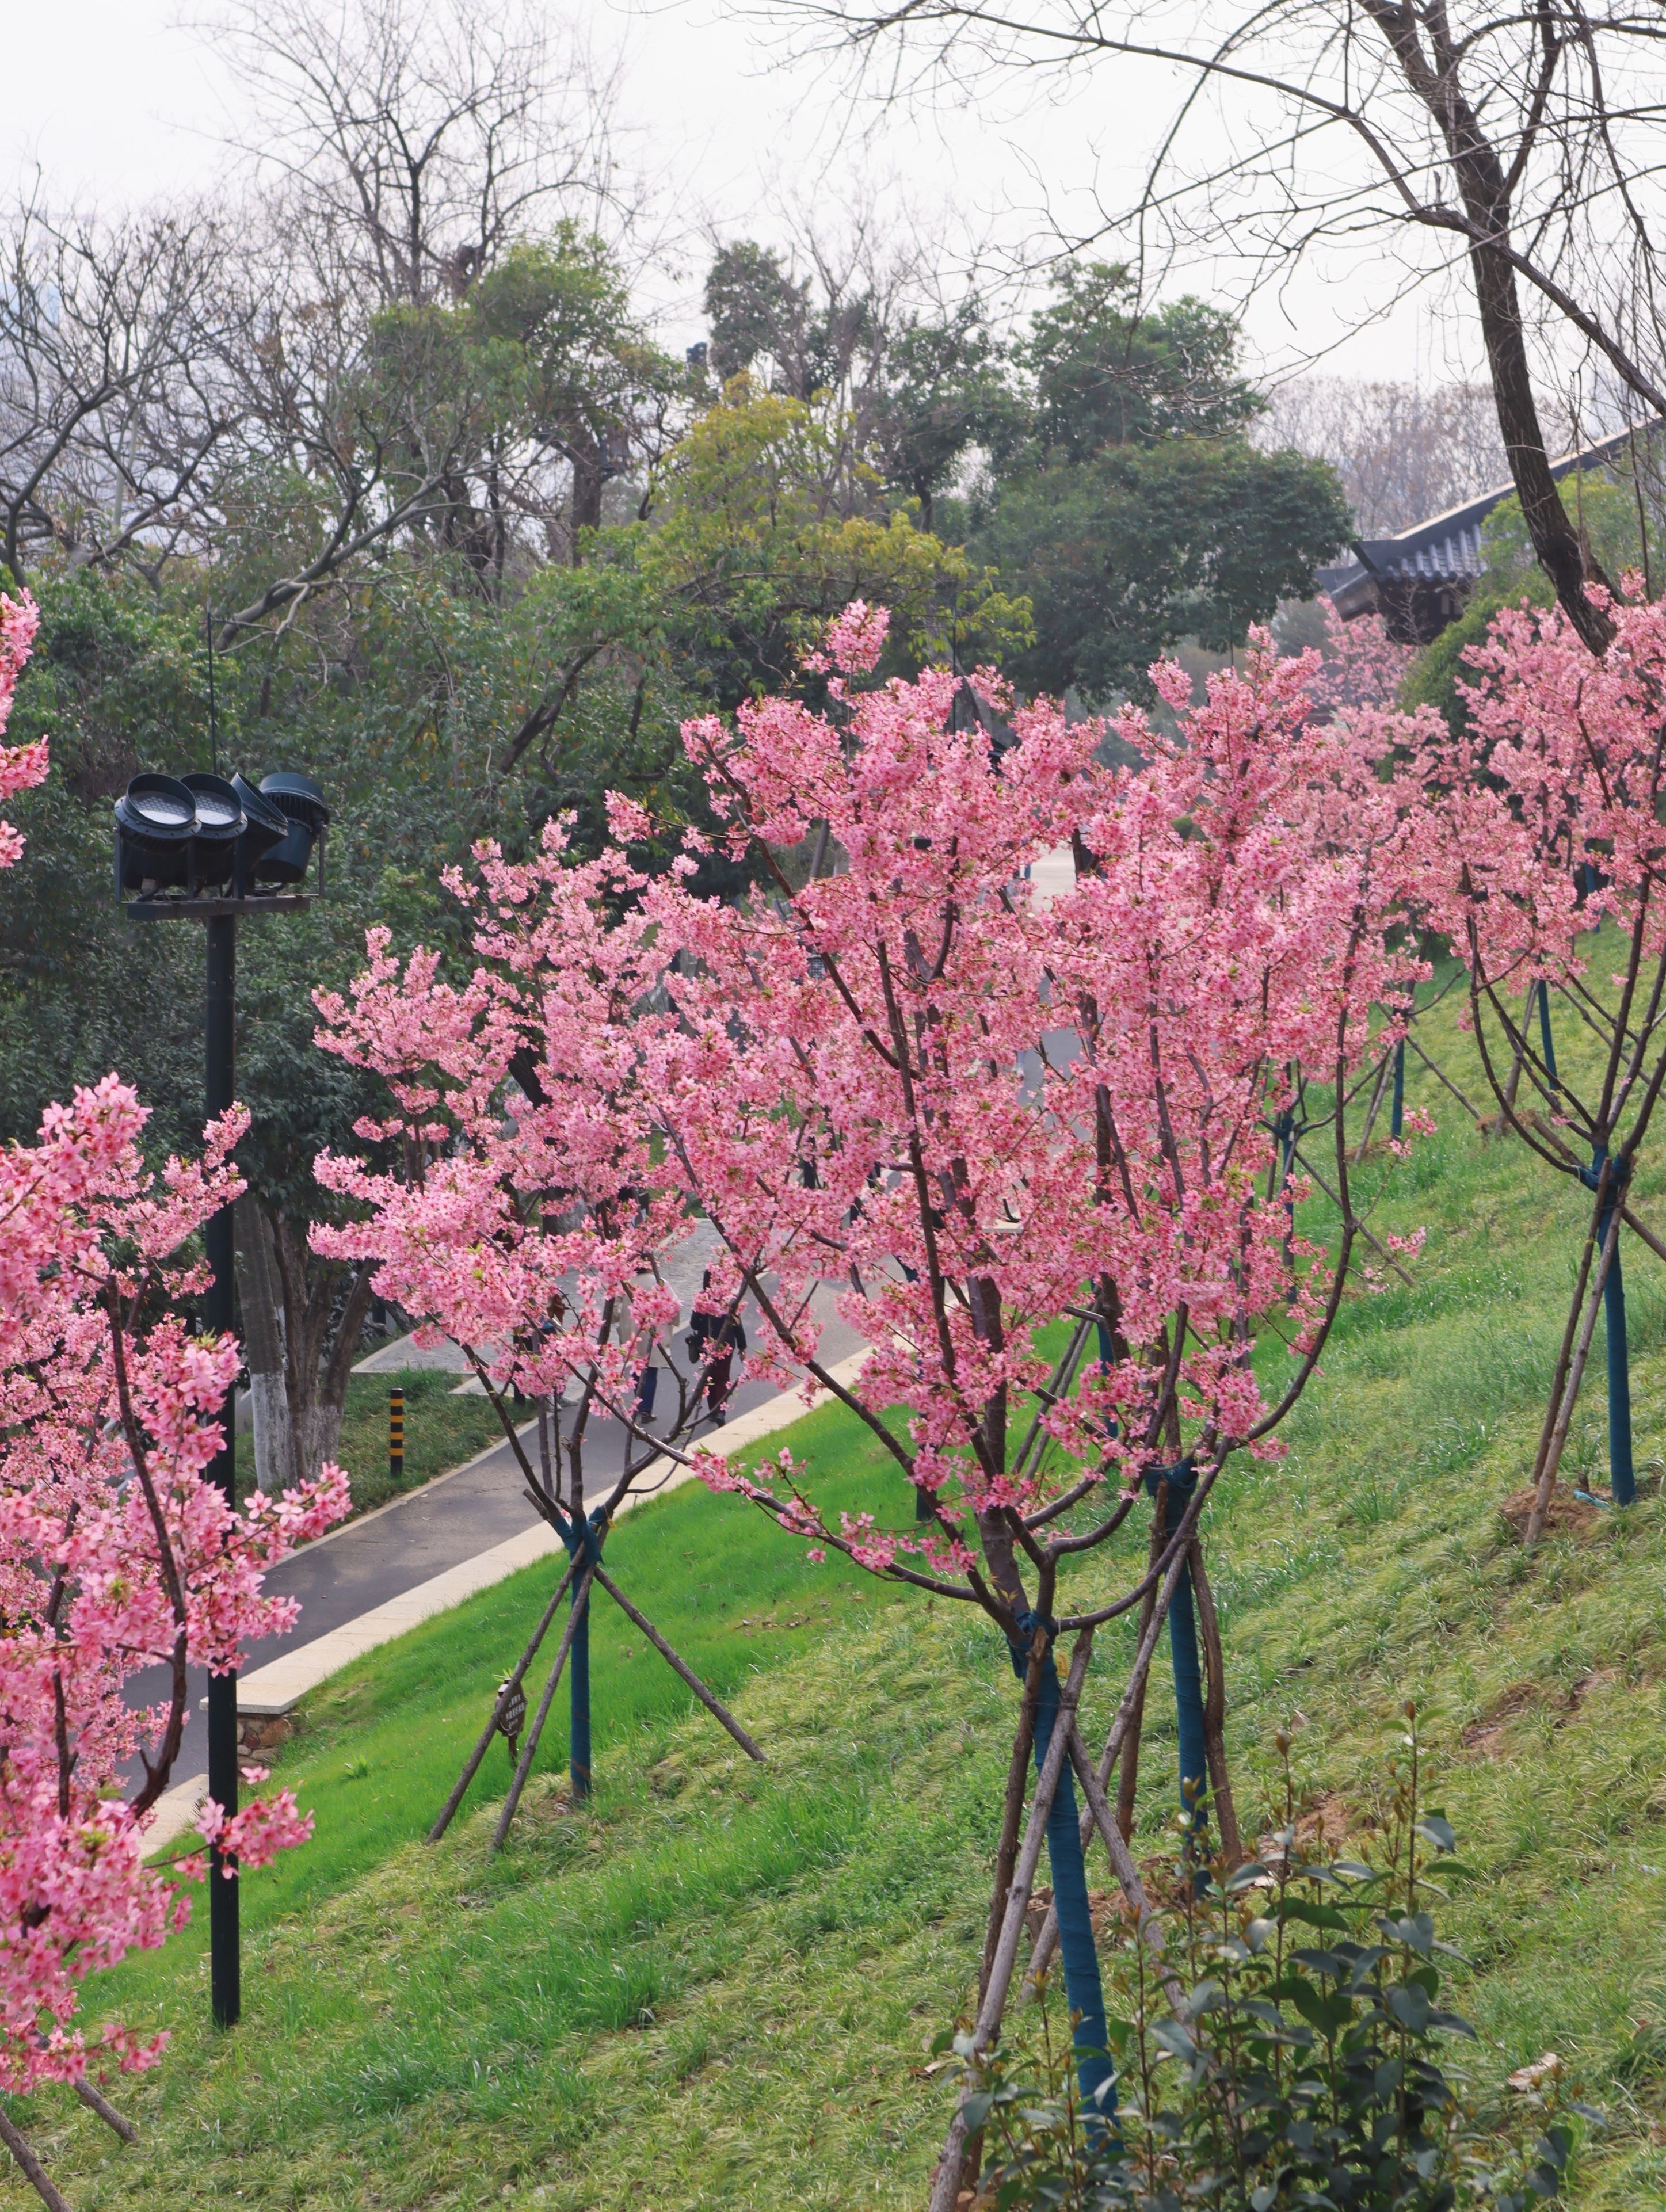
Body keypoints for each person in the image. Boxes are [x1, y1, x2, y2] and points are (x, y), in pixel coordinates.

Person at [686, 1270, 746, 1424]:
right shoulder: (730, 1299)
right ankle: (720, 1412)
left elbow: (694, 1324)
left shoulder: (702, 1298)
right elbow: (738, 1325)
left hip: (706, 1344)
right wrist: (742, 1346)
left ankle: (714, 1411)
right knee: (723, 1378)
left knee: (709, 1377)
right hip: (726, 1344)